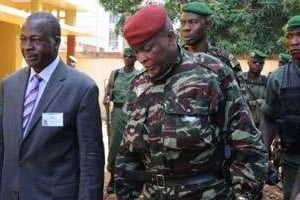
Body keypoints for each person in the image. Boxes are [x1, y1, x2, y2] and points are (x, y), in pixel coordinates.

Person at [115, 5, 267, 200]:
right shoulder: (138, 86)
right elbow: (128, 154)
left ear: (170, 37)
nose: (141, 59)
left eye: (147, 49)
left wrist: (244, 195)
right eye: (136, 52)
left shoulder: (211, 74)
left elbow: (248, 146)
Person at [0, 12, 104, 199]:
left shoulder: (81, 89)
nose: (27, 47)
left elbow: (91, 160)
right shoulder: (9, 85)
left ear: (56, 42)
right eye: (23, 40)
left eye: (35, 40)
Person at [260, 15, 300, 200]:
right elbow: (268, 118)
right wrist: (262, 155)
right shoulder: (277, 78)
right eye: (290, 36)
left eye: (299, 35)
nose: (294, 42)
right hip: (291, 160)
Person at [179, 1, 247, 97]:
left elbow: (241, 98)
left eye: (193, 22)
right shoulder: (174, 59)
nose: (186, 28)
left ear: (208, 25)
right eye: (182, 22)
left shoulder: (224, 60)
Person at [103, 47, 139, 195]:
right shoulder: (116, 74)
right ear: (123, 57)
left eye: (131, 56)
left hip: (133, 113)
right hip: (118, 112)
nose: (128, 58)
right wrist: (107, 98)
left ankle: (130, 181)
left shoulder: (139, 75)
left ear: (135, 58)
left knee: (132, 146)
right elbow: (108, 92)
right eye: (126, 56)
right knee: (114, 146)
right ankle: (112, 177)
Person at [242, 50, 268, 127]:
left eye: (261, 63)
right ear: (248, 62)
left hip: (261, 124)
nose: (258, 65)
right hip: (244, 122)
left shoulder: (266, 81)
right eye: (254, 62)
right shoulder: (241, 79)